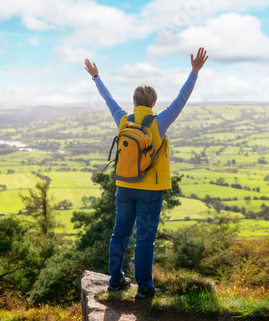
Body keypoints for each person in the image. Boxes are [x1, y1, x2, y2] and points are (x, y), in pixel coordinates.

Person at [84, 47, 208, 298]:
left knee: (119, 234)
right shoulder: (158, 122)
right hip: (150, 190)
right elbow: (181, 98)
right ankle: (144, 287)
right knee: (144, 241)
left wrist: (96, 77)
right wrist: (194, 71)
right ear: (153, 103)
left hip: (124, 186)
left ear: (133, 102)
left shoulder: (123, 119)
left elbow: (108, 99)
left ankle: (115, 280)